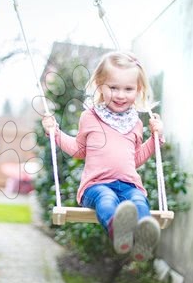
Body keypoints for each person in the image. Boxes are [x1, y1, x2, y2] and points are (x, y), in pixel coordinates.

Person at [42, 51, 165, 261]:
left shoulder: (135, 122)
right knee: (107, 200)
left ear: (138, 90)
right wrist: (55, 133)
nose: (120, 95)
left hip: (129, 184)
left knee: (139, 201)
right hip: (96, 185)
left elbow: (135, 158)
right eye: (113, 87)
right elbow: (79, 149)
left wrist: (155, 138)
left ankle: (141, 241)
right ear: (100, 84)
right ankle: (119, 232)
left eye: (128, 89)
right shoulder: (90, 117)